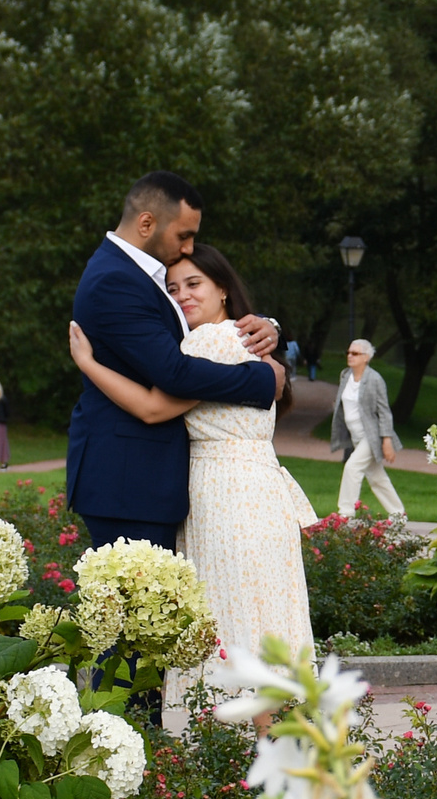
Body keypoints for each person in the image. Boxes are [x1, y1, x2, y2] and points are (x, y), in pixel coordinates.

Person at [68, 241, 312, 678]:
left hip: (225, 496)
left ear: (223, 290)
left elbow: (153, 408)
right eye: (173, 287)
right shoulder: (244, 338)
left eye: (194, 283)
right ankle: (277, 735)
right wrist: (272, 326)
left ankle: (247, 732)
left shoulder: (207, 344)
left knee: (234, 620)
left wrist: (88, 363)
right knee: (270, 616)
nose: (182, 295)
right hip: (261, 491)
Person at [64, 170, 283, 552]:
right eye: (184, 235)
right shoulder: (115, 280)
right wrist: (263, 380)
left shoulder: (137, 274)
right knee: (136, 608)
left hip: (141, 482)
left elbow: (199, 332)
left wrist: (266, 326)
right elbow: (175, 373)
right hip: (128, 483)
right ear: (147, 223)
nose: (187, 248)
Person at [326, 339, 406, 521]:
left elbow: (384, 411)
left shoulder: (375, 379)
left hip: (372, 436)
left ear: (366, 357)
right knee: (377, 477)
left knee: (352, 467)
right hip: (356, 436)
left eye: (355, 353)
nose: (350, 356)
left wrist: (386, 440)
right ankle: (398, 515)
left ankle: (345, 514)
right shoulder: (345, 375)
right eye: (348, 352)